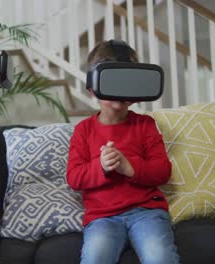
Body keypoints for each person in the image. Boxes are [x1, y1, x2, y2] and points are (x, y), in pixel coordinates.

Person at [66, 40, 179, 264]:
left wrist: (130, 167)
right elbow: (74, 177)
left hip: (146, 212)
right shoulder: (83, 130)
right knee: (94, 259)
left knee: (160, 257)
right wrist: (100, 166)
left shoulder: (145, 125)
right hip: (102, 218)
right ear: (92, 87)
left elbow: (162, 171)